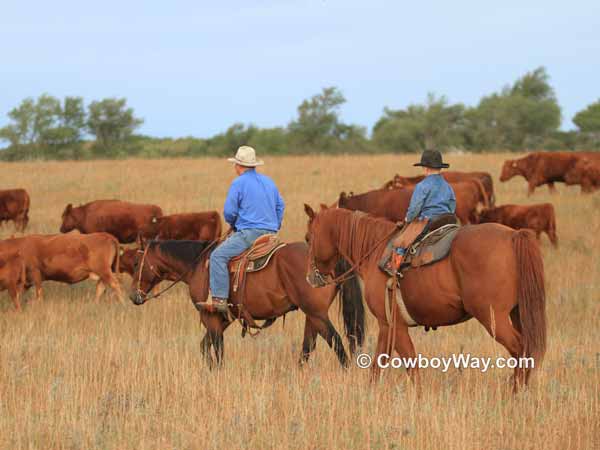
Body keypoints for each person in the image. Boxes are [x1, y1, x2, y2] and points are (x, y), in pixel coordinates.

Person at [198, 145, 285, 313]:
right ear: (253, 165)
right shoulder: (269, 181)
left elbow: (229, 212)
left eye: (235, 164)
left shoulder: (238, 183)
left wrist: (234, 223)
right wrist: (275, 224)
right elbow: (280, 205)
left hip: (249, 234)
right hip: (271, 235)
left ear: (238, 166)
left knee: (217, 256)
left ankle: (219, 299)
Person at [391, 149, 456, 271]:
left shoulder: (422, 186)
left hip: (428, 220)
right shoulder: (448, 186)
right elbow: (452, 203)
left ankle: (396, 266)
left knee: (402, 240)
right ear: (440, 168)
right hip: (446, 219)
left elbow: (415, 208)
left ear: (426, 169)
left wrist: (408, 219)